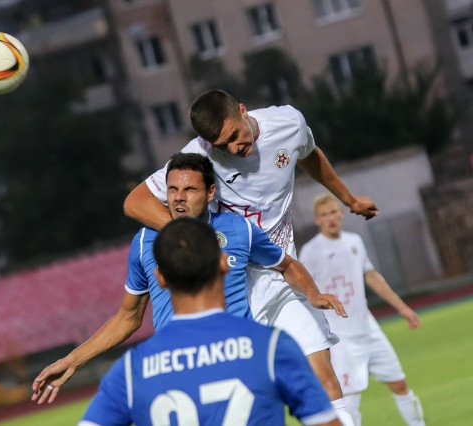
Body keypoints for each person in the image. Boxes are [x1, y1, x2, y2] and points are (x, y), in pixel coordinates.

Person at [123, 89, 376, 422]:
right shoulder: (199, 153)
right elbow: (136, 202)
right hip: (234, 290)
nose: (232, 148)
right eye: (221, 145)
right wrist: (190, 234)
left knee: (323, 382)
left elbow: (309, 155)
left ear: (243, 110)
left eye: (233, 136)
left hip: (283, 275)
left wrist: (348, 199)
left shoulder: (289, 123)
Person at [32, 153, 346, 406]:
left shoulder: (238, 229)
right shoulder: (145, 243)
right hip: (179, 370)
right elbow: (128, 317)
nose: (179, 199)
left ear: (210, 193)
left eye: (190, 190)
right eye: (172, 190)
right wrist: (73, 360)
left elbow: (286, 265)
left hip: (238, 361)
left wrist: (312, 293)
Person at [79, 217, 341, 425]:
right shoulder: (271, 347)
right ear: (224, 264)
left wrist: (70, 362)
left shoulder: (133, 369)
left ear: (160, 278)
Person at [299, 193, 425, 426]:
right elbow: (302, 290)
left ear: (341, 214)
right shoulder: (310, 251)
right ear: (317, 219)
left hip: (368, 329)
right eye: (324, 215)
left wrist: (403, 308)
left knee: (400, 384)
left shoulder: (354, 241)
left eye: (334, 212)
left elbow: (371, 276)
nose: (330, 218)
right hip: (341, 337)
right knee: (349, 401)